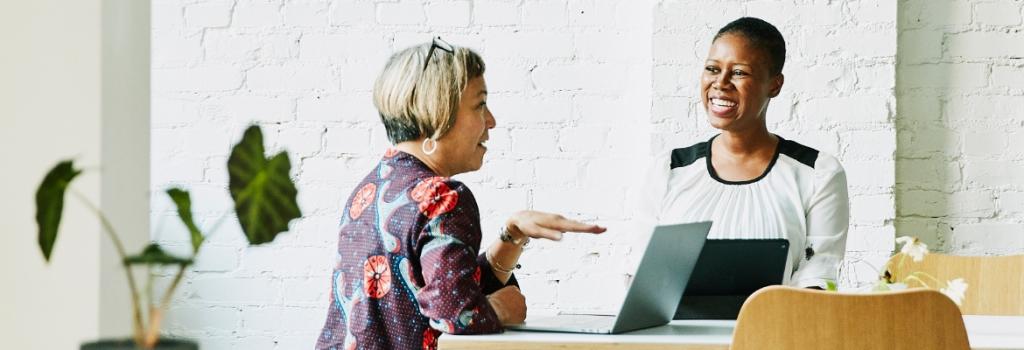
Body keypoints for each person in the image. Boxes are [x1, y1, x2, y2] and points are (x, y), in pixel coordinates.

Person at [315, 37, 606, 350]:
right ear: (438, 113)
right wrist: (501, 310)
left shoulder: (370, 190)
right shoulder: (443, 196)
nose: (491, 121)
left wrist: (513, 234)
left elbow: (446, 288)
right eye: (480, 105)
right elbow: (456, 314)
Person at [637, 17, 849, 289]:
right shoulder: (669, 169)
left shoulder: (817, 173)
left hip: (777, 330)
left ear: (774, 85)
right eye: (712, 69)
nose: (720, 83)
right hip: (678, 332)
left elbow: (818, 281)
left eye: (739, 72)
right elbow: (643, 278)